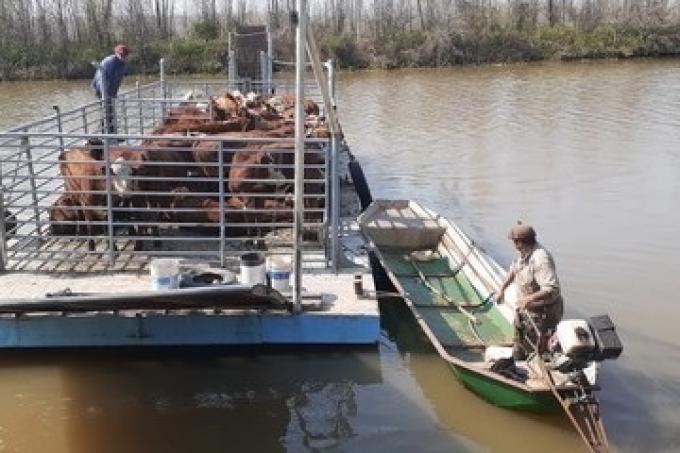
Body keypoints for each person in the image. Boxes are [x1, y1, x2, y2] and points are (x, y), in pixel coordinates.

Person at [496, 223, 564, 360]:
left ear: (519, 243)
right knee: (519, 343)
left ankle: (534, 367)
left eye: (514, 242)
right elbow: (514, 270)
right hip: (525, 311)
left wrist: (529, 299)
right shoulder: (524, 253)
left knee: (537, 350)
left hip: (542, 314)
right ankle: (518, 361)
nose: (513, 245)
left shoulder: (540, 259)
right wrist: (502, 289)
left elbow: (552, 287)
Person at [91, 43, 130, 134]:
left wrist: (113, 94)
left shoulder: (122, 64)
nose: (123, 57)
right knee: (107, 111)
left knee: (110, 111)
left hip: (111, 91)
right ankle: (104, 134)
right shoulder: (109, 62)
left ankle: (110, 133)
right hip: (101, 89)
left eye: (125, 55)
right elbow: (101, 79)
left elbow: (119, 78)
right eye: (121, 55)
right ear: (116, 53)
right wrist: (105, 95)